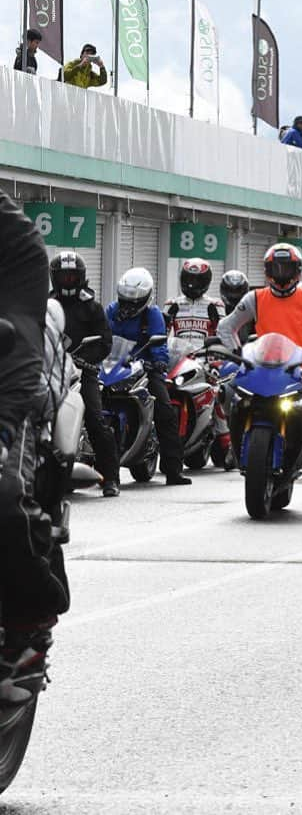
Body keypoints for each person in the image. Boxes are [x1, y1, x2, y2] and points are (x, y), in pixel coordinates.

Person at [217, 243, 302, 514]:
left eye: (286, 267)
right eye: (275, 268)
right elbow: (226, 326)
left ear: (298, 271)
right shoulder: (255, 298)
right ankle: (234, 447)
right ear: (267, 271)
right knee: (230, 396)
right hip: (261, 370)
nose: (281, 273)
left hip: (299, 371)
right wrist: (235, 353)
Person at [0, 192, 71, 685]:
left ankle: (32, 617)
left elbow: (22, 340)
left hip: (7, 377)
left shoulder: (14, 241)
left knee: (2, 491)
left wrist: (3, 427)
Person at [106, 268, 192, 487]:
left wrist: (159, 361)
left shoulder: (152, 314)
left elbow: (159, 342)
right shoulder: (111, 310)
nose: (128, 306)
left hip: (145, 367)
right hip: (114, 367)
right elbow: (103, 336)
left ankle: (173, 470)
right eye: (125, 300)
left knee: (165, 410)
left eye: (133, 302)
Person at [49, 251, 120, 497]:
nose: (68, 281)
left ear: (80, 278)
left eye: (72, 277)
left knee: (95, 420)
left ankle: (110, 478)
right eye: (63, 277)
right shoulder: (47, 306)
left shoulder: (91, 306)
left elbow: (104, 342)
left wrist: (85, 360)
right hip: (51, 370)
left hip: (83, 371)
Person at [164, 258, 224, 343]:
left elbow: (223, 334)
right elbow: (161, 335)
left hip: (205, 354)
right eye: (188, 279)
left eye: (197, 280)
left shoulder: (215, 305)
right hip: (179, 354)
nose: (192, 283)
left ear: (206, 280)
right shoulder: (172, 304)